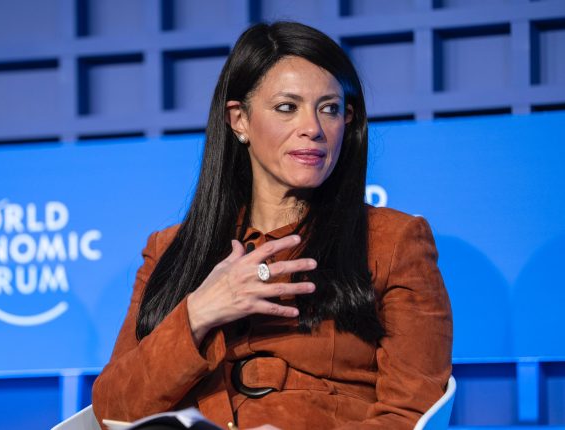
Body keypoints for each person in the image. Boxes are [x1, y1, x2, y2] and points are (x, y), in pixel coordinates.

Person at [92, 21, 452, 430]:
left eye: (330, 109)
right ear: (239, 120)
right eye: (287, 107)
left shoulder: (393, 242)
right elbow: (110, 412)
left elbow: (409, 414)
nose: (313, 128)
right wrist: (197, 313)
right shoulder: (169, 250)